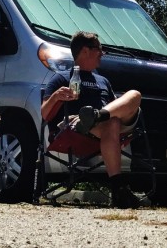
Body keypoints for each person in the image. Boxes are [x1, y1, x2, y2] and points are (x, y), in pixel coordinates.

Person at [41, 31, 144, 209]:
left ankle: (96, 115)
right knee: (112, 123)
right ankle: (118, 188)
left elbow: (116, 107)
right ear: (85, 51)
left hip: (107, 123)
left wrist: (102, 115)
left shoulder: (103, 80)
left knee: (134, 95)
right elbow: (44, 113)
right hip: (78, 127)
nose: (102, 53)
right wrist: (56, 97)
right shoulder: (61, 78)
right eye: (99, 49)